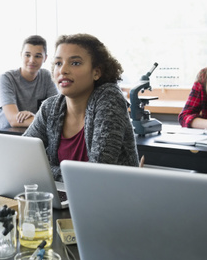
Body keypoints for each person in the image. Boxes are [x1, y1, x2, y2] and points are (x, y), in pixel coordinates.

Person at [24, 33, 139, 180]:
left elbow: (97, 173)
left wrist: (45, 171)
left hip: (113, 197)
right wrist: (42, 170)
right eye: (58, 63)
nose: (63, 70)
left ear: (96, 72)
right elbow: (23, 158)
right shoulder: (51, 107)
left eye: (75, 63)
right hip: (66, 197)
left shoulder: (109, 98)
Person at [0, 35, 57, 131]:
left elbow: (55, 113)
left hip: (29, 129)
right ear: (21, 55)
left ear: (45, 58)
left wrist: (34, 117)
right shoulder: (6, 78)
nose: (32, 60)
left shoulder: (47, 76)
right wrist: (40, 118)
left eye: (37, 56)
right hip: (1, 131)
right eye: (27, 55)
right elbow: (14, 120)